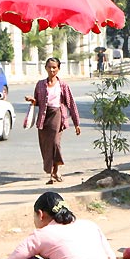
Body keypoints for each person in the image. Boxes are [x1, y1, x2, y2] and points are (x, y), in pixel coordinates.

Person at [24, 57, 81, 185]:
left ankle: (55, 171)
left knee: (55, 143)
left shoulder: (63, 85)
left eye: (54, 67)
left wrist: (76, 123)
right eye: (49, 67)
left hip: (57, 115)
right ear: (45, 68)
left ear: (58, 69)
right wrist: (33, 100)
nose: (52, 70)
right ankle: (52, 173)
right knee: (46, 146)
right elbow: (38, 102)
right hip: (44, 118)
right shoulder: (40, 85)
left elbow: (71, 104)